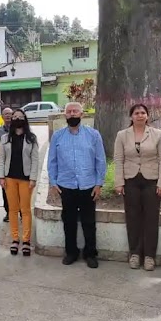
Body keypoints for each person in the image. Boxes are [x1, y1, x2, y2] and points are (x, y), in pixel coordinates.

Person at [48, 102, 106, 268]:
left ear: (82, 114)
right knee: (69, 221)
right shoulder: (57, 136)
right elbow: (52, 161)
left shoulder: (93, 135)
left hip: (88, 185)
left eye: (75, 111)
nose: (72, 114)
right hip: (66, 186)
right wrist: (53, 182)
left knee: (89, 222)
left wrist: (99, 184)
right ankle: (71, 252)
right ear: (65, 115)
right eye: (69, 111)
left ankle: (90, 254)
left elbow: (100, 160)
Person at [113, 104, 161, 271]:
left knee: (151, 218)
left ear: (147, 116)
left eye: (143, 112)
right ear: (131, 116)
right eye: (136, 113)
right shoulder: (122, 135)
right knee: (133, 218)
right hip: (130, 181)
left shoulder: (157, 134)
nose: (140, 115)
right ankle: (135, 254)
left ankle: (150, 256)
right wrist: (119, 182)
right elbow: (118, 159)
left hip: (152, 181)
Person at [0, 109, 39, 256]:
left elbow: (35, 160)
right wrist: (1, 177)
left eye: (20, 117)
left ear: (25, 119)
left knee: (26, 210)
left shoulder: (31, 138)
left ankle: (26, 240)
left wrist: (33, 178)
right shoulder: (4, 138)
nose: (16, 119)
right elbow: (1, 159)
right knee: (13, 210)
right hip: (10, 178)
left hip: (26, 179)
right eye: (14, 117)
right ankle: (15, 239)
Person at [0, 107, 14, 222]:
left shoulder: (20, 130)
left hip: (18, 165)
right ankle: (9, 212)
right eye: (5, 114)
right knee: (5, 190)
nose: (8, 116)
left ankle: (20, 211)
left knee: (19, 190)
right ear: (2, 116)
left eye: (10, 114)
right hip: (4, 165)